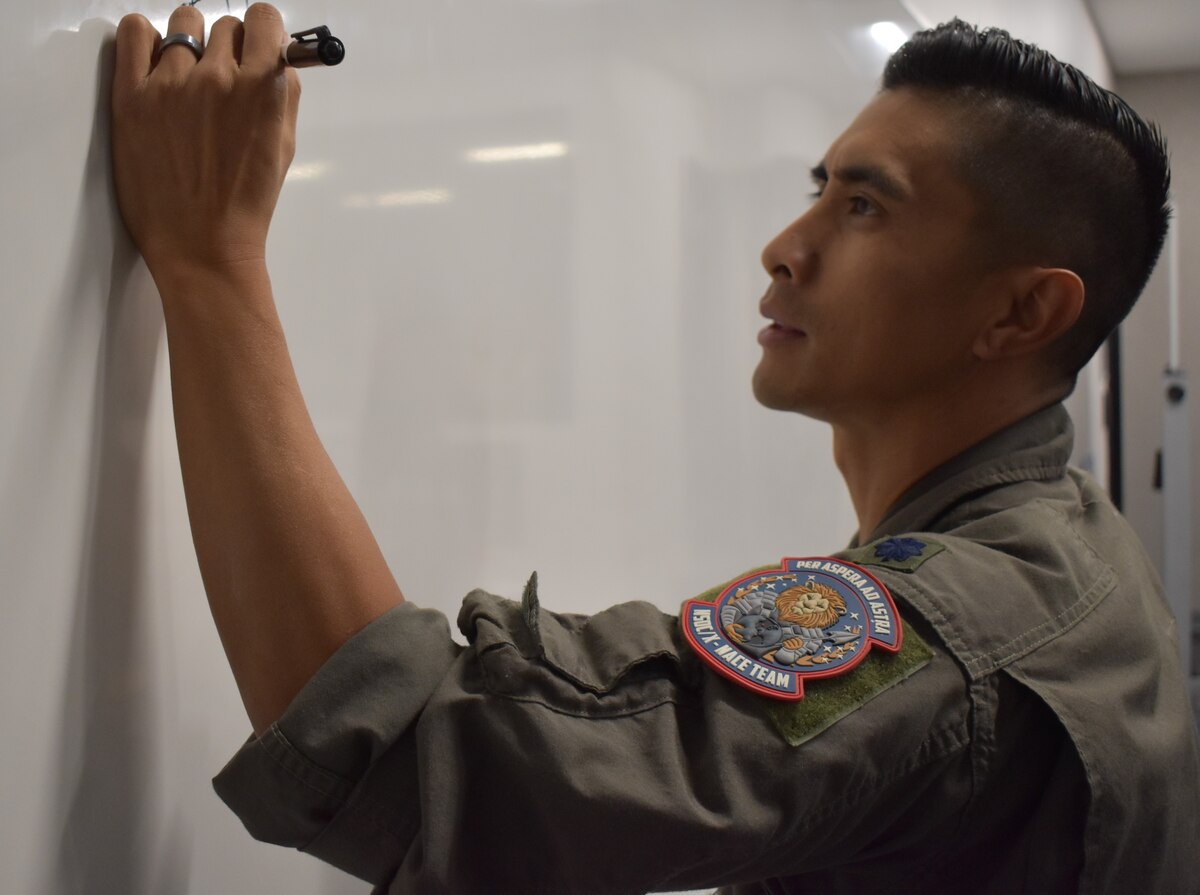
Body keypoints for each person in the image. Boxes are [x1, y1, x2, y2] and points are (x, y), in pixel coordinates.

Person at [111, 5, 1200, 893]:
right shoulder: (1075, 540)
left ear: (1020, 314)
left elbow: (416, 764)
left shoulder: (956, 633)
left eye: (867, 206)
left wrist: (210, 257)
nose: (785, 247)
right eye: (820, 189)